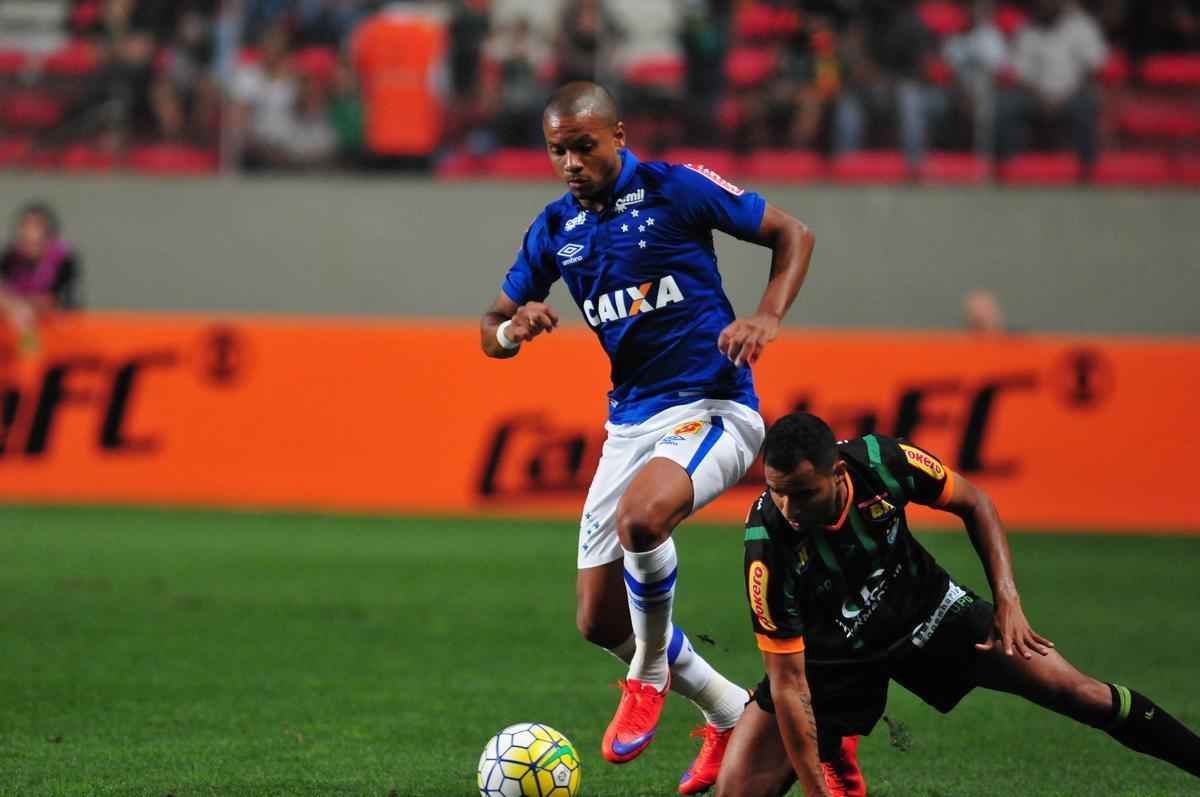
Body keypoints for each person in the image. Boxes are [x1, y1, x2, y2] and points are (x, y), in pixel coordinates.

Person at [478, 81, 815, 794]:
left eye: (584, 145)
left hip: (714, 405)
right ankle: (728, 712)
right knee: (598, 617)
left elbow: (793, 233)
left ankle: (651, 673)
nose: (570, 161)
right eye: (557, 150)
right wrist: (513, 329)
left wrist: (768, 315)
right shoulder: (555, 229)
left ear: (619, 136)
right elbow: (490, 327)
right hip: (630, 422)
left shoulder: (678, 188)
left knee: (642, 518)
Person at [716, 412, 1200, 797]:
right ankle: (832, 749)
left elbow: (975, 502)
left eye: (803, 494)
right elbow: (788, 683)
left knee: (1079, 692)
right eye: (777, 493)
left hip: (929, 614)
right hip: (831, 661)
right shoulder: (767, 547)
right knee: (735, 793)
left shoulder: (883, 462)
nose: (789, 509)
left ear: (838, 474)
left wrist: (1008, 602)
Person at [995, 0, 1108, 174]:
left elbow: (1093, 69)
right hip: (1034, 95)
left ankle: (1088, 168)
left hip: (1073, 93)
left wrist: (1066, 96)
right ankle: (1006, 166)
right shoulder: (1027, 28)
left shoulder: (1082, 26)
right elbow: (1019, 74)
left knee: (1087, 105)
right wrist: (1042, 97)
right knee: (1006, 104)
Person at [1, 203, 81, 349]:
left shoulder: (64, 260)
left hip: (59, 335)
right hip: (16, 334)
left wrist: (21, 306)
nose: (29, 235)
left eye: (36, 229)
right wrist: (14, 307)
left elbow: (54, 301)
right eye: (24, 228)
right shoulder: (10, 257)